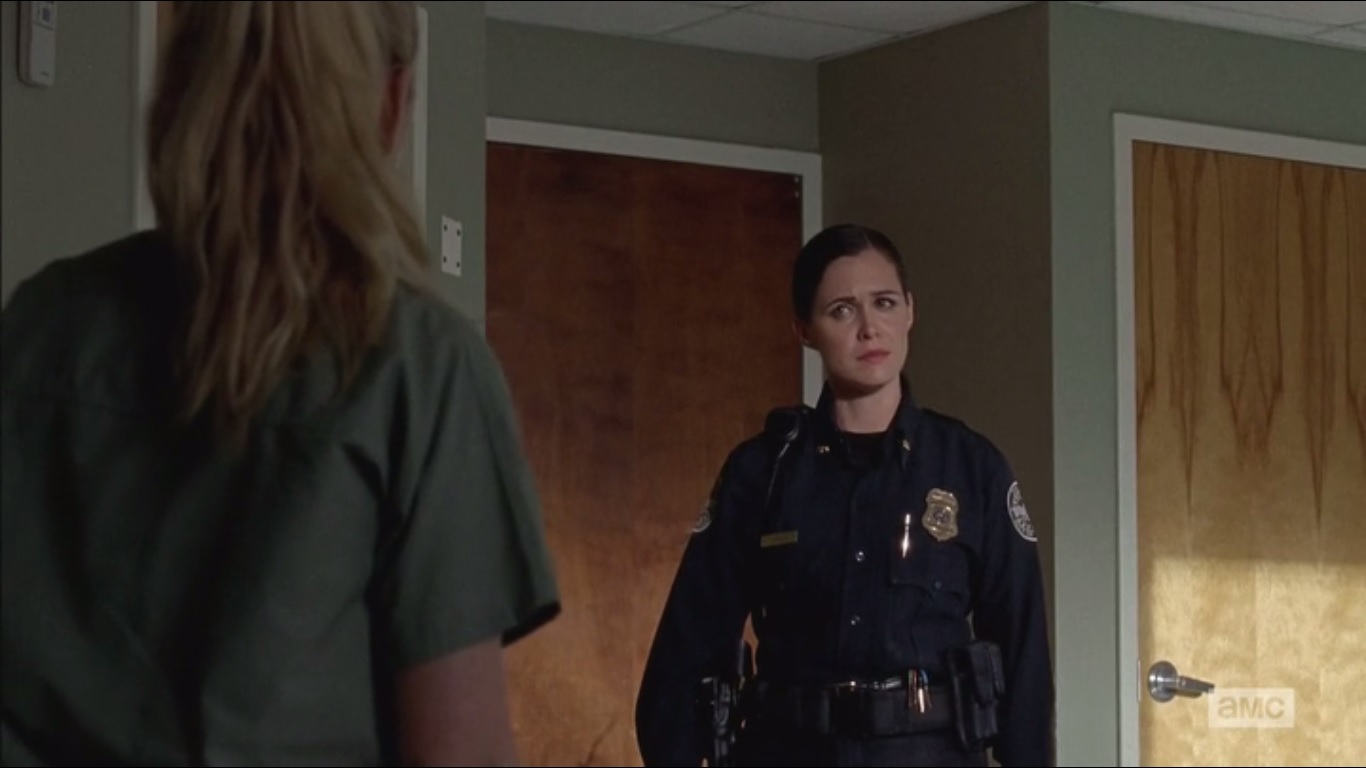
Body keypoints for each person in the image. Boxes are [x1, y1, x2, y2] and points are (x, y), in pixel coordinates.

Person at [1, 2, 559, 766]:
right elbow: (462, 754)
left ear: (181, 84)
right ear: (391, 102)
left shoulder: (37, 326)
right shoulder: (421, 374)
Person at [634, 223, 1053, 767]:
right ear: (805, 330)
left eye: (884, 303)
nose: (869, 328)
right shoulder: (762, 472)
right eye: (841, 310)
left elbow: (1023, 654)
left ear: (910, 311)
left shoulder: (972, 468)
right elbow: (687, 648)